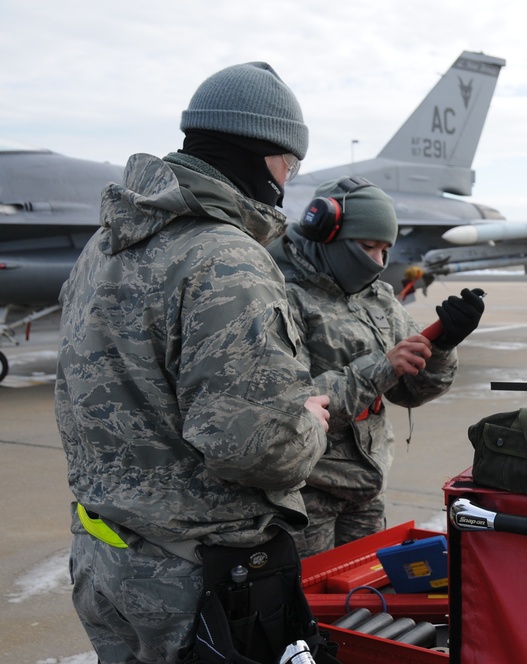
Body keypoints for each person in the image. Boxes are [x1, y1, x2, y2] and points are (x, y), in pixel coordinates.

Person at [55, 62, 332, 663]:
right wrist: (309, 420)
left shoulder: (103, 246)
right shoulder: (224, 258)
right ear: (265, 153)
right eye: (291, 162)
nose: (289, 178)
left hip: (106, 557)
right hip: (195, 582)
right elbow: (256, 447)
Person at [268, 176, 484, 556]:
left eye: (385, 250)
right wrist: (383, 367)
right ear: (325, 232)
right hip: (307, 495)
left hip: (366, 487)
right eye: (368, 247)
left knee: (366, 598)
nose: (379, 263)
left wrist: (443, 344)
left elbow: (413, 392)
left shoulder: (378, 297)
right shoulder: (283, 296)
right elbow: (290, 408)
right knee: (312, 602)